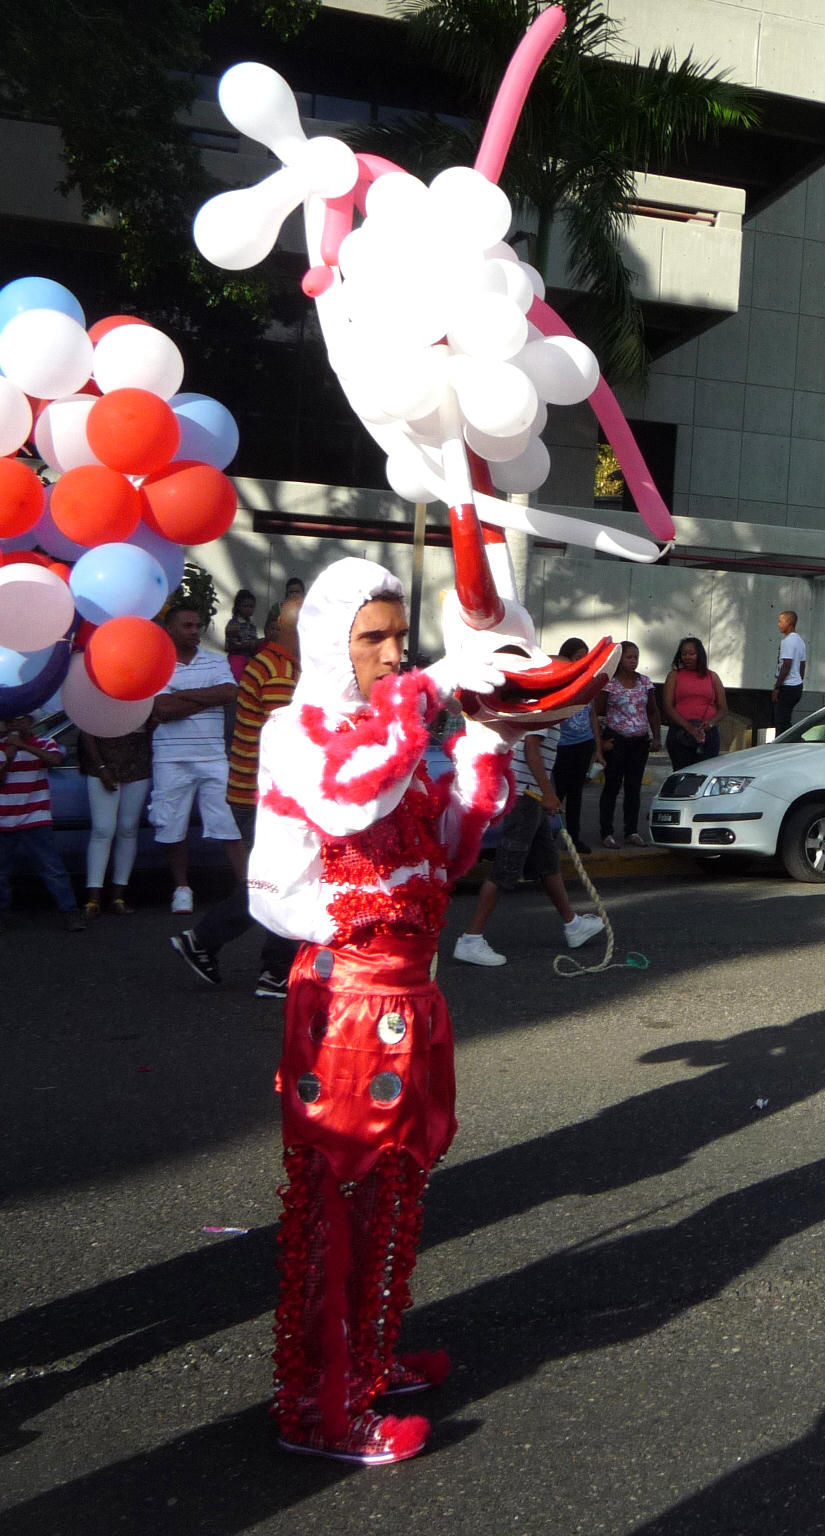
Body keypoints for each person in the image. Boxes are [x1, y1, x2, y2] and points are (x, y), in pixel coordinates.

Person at [248, 555, 525, 1465]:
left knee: (400, 1185)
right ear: (333, 643)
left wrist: (488, 742)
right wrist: (435, 686)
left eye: (399, 638)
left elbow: (442, 849)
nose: (390, 653)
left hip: (411, 993)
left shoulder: (394, 736)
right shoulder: (301, 732)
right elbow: (347, 793)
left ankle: (368, 1357)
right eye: (372, 638)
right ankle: (320, 1407)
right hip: (346, 998)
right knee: (337, 1201)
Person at [171, 596, 303, 996]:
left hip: (256, 789)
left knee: (279, 880)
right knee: (281, 881)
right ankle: (268, 968)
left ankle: (262, 964)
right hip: (267, 792)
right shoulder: (279, 670)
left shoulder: (277, 664)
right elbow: (290, 737)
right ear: (287, 628)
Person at [453, 696, 604, 966]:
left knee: (547, 862)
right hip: (525, 797)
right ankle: (471, 938)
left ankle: (573, 924)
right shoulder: (543, 711)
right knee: (505, 868)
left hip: (529, 795)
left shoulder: (542, 708)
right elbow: (531, 752)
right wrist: (549, 793)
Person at [150, 598, 246, 914]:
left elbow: (229, 693)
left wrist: (180, 696)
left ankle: (246, 890)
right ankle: (181, 889)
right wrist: (206, 698)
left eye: (197, 626)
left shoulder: (216, 661)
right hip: (170, 758)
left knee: (229, 824)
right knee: (171, 826)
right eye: (187, 626)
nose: (195, 631)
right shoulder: (157, 664)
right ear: (170, 628)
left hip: (213, 757)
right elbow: (162, 709)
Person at [1, 714, 85, 931]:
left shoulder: (44, 743)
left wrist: (24, 747)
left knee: (52, 868)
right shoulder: (2, 747)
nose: (15, 725)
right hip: (4, 819)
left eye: (20, 720)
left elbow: (56, 760)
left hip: (35, 817)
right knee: (1, 871)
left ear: (31, 722)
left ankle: (69, 912)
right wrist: (8, 756)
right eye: (11, 721)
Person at [79, 724, 152, 915]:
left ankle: (118, 897)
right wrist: (101, 768)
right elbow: (86, 729)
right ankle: (93, 899)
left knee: (128, 829)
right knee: (102, 829)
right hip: (101, 761)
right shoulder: (99, 695)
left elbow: (155, 722)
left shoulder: (143, 696)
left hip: (138, 761)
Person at [593, 641, 654, 848]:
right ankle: (606, 832)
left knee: (633, 787)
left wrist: (656, 737)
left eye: (636, 657)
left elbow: (653, 710)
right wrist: (600, 741)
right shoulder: (610, 684)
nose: (633, 661)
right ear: (619, 660)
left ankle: (632, 830)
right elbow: (598, 712)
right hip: (616, 740)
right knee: (612, 786)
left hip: (639, 741)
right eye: (629, 657)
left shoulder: (645, 682)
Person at [550, 638, 597, 853]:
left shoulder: (588, 680)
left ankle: (574, 837)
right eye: (578, 657)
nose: (582, 661)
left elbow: (593, 714)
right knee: (558, 792)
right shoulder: (558, 680)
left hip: (583, 742)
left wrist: (596, 744)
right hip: (562, 744)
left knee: (576, 792)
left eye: (584, 657)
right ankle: (549, 835)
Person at [662, 635, 727, 771]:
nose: (687, 657)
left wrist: (710, 724)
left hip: (707, 734)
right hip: (681, 733)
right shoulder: (674, 676)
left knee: (703, 775)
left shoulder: (712, 676)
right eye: (684, 654)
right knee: (682, 774)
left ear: (700, 655)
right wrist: (688, 727)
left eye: (691, 654)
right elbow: (668, 707)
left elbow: (723, 709)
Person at [772, 609, 806, 733]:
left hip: (787, 686)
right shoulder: (800, 641)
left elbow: (786, 664)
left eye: (781, 621)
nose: (778, 624)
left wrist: (777, 687)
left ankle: (786, 745)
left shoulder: (787, 641)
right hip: (797, 686)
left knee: (781, 721)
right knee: (785, 719)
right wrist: (799, 680)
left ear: (789, 623)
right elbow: (802, 665)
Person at [224, 587, 261, 679]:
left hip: (250, 659)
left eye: (251, 607)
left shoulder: (252, 626)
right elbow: (232, 645)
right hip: (237, 658)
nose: (249, 609)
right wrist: (250, 644)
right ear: (238, 607)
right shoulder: (234, 624)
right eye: (245, 606)